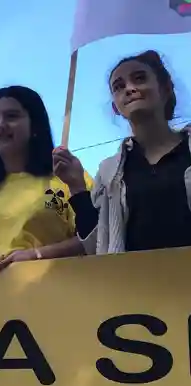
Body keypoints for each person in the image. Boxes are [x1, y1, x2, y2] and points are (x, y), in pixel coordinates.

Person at [0, 86, 92, 271]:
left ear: (35, 125)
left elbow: (96, 237)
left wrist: (36, 255)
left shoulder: (69, 177)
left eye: (12, 116)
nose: (0, 125)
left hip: (61, 285)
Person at [71, 50, 191, 255]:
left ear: (166, 89)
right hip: (134, 276)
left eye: (140, 78)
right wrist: (76, 186)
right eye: (118, 87)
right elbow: (96, 247)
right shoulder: (108, 172)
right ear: (115, 108)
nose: (129, 88)